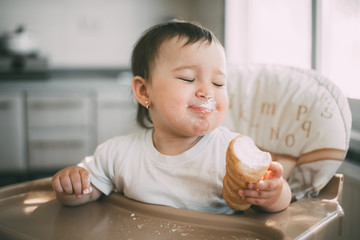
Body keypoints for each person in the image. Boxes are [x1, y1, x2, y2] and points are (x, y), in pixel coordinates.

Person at [51, 20, 292, 213]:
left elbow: (276, 207)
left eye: (219, 83)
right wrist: (71, 186)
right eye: (188, 78)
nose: (206, 91)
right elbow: (82, 195)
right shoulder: (117, 155)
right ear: (144, 91)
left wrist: (274, 195)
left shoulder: (236, 153)